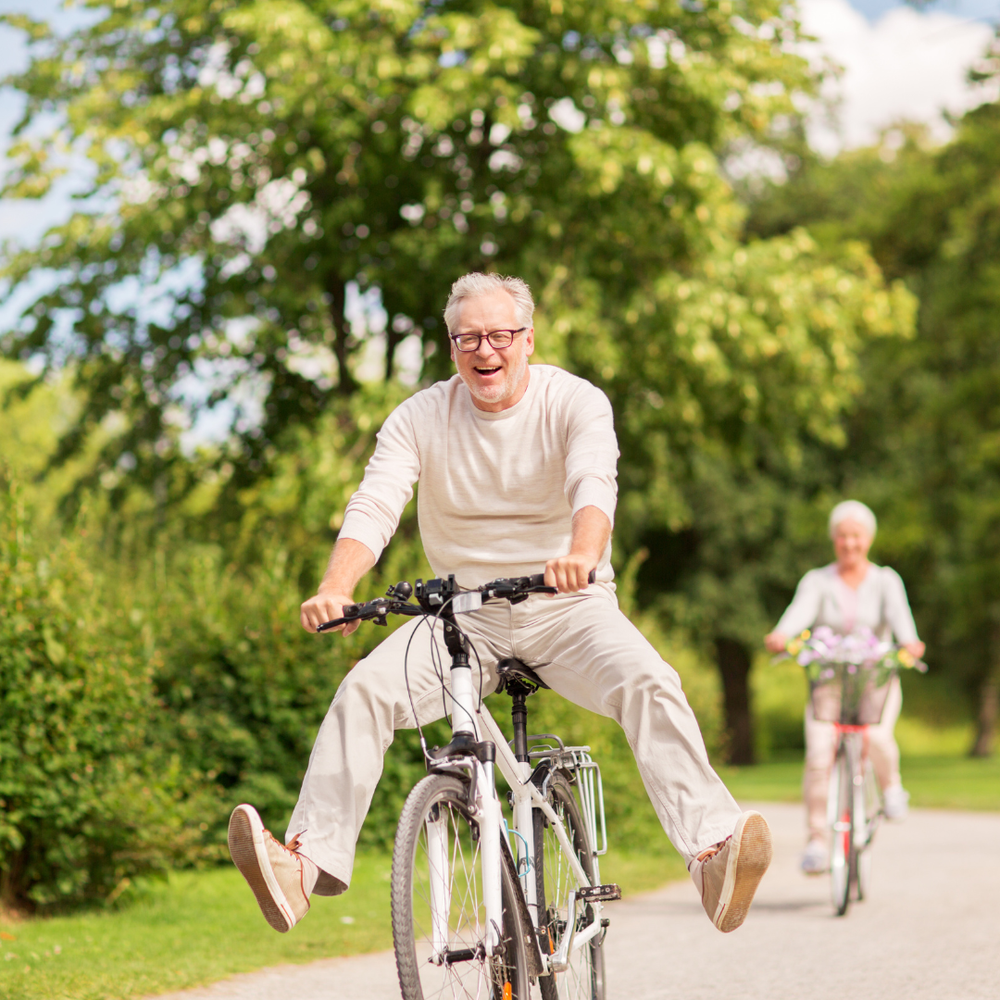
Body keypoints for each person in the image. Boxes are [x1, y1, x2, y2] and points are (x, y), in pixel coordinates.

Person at [228, 272, 772, 936]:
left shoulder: (573, 401)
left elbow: (593, 483)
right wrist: (335, 587)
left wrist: (582, 553)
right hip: (462, 617)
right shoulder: (420, 416)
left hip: (567, 605)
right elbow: (375, 503)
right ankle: (302, 869)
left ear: (527, 339)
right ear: (451, 346)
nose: (485, 351)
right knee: (363, 691)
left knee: (650, 681)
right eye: (468, 339)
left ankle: (712, 854)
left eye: (499, 335)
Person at [764, 500, 925, 874]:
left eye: (856, 536)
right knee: (819, 755)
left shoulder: (886, 580)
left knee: (878, 737)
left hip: (876, 680)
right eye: (842, 536)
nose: (849, 544)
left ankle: (891, 789)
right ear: (833, 540)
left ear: (868, 539)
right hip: (829, 682)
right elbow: (797, 615)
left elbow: (904, 626)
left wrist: (911, 644)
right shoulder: (817, 581)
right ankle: (817, 841)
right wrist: (781, 635)